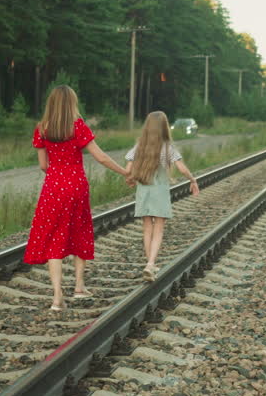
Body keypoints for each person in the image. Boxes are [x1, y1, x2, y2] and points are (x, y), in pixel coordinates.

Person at [24, 86, 130, 311]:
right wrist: (125, 172)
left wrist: (57, 176)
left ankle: (57, 296)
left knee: (54, 237)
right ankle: (79, 287)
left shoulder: (41, 129)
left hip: (53, 186)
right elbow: (100, 157)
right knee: (79, 230)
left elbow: (43, 165)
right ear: (71, 103)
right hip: (76, 186)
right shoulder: (78, 127)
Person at [124, 111, 199, 281]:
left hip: (143, 191)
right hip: (160, 192)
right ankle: (151, 264)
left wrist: (130, 178)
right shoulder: (167, 148)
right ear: (164, 128)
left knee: (147, 229)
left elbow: (128, 169)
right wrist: (192, 180)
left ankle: (149, 264)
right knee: (158, 229)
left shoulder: (139, 146)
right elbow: (182, 169)